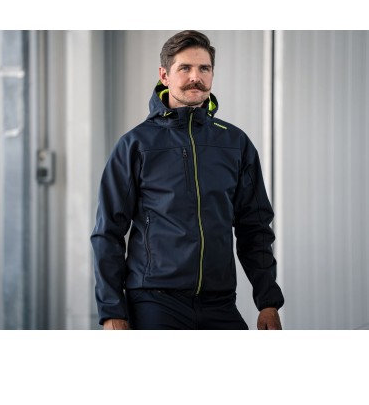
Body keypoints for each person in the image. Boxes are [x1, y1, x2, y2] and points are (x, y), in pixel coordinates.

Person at [91, 30, 284, 330]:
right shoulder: (136, 145)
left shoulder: (235, 143)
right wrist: (112, 312)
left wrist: (268, 302)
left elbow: (255, 228)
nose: (196, 77)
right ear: (164, 75)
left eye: (204, 68)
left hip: (220, 302)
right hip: (154, 302)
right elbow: (108, 233)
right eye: (185, 68)